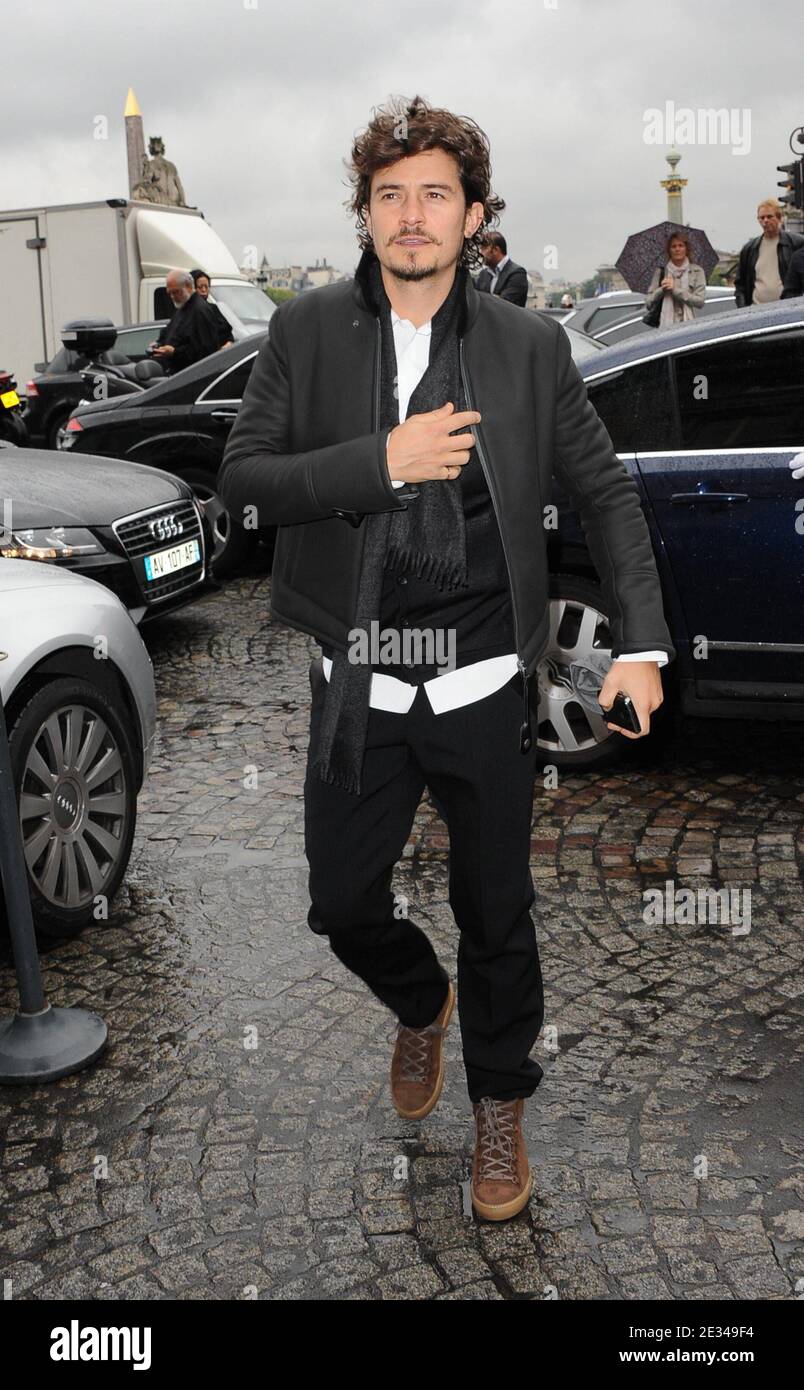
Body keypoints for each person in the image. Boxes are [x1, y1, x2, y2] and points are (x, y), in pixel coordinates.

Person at [218, 95, 675, 1222]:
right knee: (339, 903)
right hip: (359, 673)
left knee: (498, 908)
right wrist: (380, 459)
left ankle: (500, 1105)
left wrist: (644, 644)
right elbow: (244, 477)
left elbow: (605, 491)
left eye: (434, 194)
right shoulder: (308, 331)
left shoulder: (528, 347)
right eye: (389, 195)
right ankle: (423, 1004)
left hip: (480, 680)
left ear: (475, 215)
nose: (411, 215)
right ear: (364, 214)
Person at [149, 269, 232, 374]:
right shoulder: (183, 306)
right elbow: (170, 332)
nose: (172, 297)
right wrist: (159, 344)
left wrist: (175, 352)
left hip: (192, 377)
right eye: (170, 293)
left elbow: (206, 352)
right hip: (178, 374)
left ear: (188, 286)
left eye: (176, 292)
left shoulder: (200, 311)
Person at [734, 199, 804, 307]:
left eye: (769, 217)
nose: (765, 221)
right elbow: (740, 285)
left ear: (779, 218)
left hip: (786, 308)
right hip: (756, 309)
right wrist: (743, 308)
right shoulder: (750, 249)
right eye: (762, 218)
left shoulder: (795, 243)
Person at [643, 232, 706, 326]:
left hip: (689, 325)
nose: (677, 249)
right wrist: (661, 290)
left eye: (681, 246)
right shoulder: (661, 272)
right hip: (666, 326)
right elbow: (648, 303)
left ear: (686, 249)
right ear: (669, 250)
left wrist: (675, 290)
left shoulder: (697, 271)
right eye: (673, 246)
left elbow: (700, 302)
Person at [475, 232, 529, 305]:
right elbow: (476, 301)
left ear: (496, 250)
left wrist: (484, 298)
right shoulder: (483, 274)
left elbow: (504, 304)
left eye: (484, 248)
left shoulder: (517, 273)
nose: (480, 253)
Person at [191, 267, 236, 341]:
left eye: (206, 286)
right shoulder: (185, 311)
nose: (204, 290)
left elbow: (227, 333)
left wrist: (228, 343)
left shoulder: (212, 309)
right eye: (200, 287)